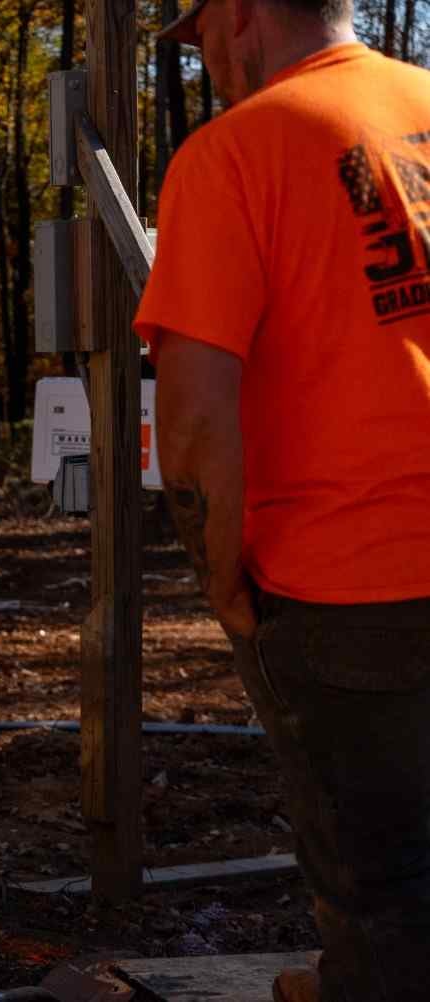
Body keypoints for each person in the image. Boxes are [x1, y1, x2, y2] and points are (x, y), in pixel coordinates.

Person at [136, 3, 430, 1000]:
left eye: (202, 35)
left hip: (347, 587)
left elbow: (193, 425)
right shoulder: (425, 106)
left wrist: (222, 583)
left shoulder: (233, 153)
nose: (206, 59)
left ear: (243, 16)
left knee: (380, 885)